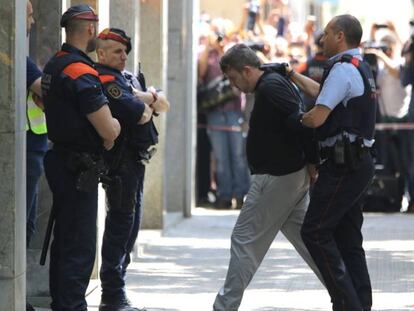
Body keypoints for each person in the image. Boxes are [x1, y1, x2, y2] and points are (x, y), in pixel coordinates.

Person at [212, 43, 323, 311]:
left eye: (233, 77)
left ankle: (224, 307)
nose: (233, 84)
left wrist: (312, 161)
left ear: (247, 70)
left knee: (243, 239)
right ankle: (347, 294)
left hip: (278, 178)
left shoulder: (271, 87)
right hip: (287, 177)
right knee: (312, 242)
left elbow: (302, 123)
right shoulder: (271, 84)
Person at [288, 15, 376, 310]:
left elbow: (317, 117)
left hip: (343, 167)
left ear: (340, 36)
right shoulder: (354, 67)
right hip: (356, 164)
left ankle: (347, 303)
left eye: (325, 34)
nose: (320, 39)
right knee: (348, 238)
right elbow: (323, 94)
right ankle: (360, 304)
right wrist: (292, 75)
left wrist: (293, 121)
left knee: (314, 231)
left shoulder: (341, 71)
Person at [41, 5, 121, 310]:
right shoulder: (80, 71)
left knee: (64, 241)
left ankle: (63, 303)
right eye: (96, 27)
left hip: (61, 161)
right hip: (78, 168)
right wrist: (114, 127)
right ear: (88, 29)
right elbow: (107, 128)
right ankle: (72, 306)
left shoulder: (55, 64)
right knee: (79, 246)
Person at [95, 28, 169, 311]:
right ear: (101, 53)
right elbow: (140, 115)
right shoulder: (106, 79)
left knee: (130, 227)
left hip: (136, 162)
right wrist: (147, 99)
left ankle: (117, 288)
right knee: (120, 227)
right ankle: (112, 295)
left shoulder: (126, 78)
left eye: (125, 51)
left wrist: (144, 97)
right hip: (121, 163)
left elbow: (165, 103)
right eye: (116, 51)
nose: (123, 56)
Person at [198, 27, 250, 209]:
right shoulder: (208, 54)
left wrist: (225, 49)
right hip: (214, 112)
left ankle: (241, 194)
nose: (221, 38)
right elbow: (201, 72)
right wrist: (208, 46)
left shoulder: (234, 53)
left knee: (237, 155)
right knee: (220, 157)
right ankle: (225, 195)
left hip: (234, 111)